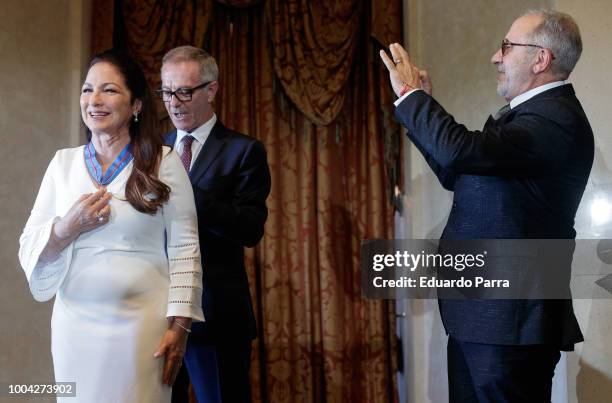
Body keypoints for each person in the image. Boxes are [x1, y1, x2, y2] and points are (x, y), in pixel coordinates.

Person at [380, 10, 593, 402]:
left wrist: (411, 97)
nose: (496, 57)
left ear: (540, 58)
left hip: (508, 325)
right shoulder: (527, 118)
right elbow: (458, 171)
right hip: (483, 321)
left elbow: (462, 151)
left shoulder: (554, 119)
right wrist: (422, 104)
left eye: (507, 46)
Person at [18, 49, 204, 403]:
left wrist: (180, 326)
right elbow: (30, 242)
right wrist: (66, 228)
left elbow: (186, 248)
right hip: (74, 328)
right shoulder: (63, 163)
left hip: (143, 327)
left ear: (136, 105)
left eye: (109, 90)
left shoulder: (162, 161)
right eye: (87, 90)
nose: (94, 100)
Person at [159, 46, 271, 403]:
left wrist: (185, 193)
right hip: (155, 315)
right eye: (166, 91)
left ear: (211, 90)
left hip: (217, 317)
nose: (174, 102)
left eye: (185, 91)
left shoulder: (243, 150)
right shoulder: (151, 152)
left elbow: (250, 229)